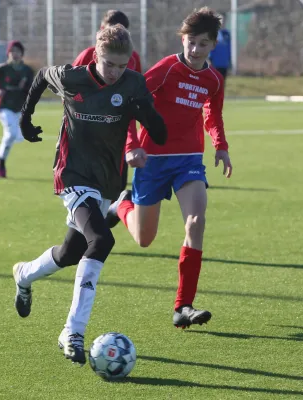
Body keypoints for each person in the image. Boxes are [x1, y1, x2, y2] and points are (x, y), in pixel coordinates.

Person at [12, 25, 167, 365]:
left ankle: (24, 274)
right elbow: (40, 77)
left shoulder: (133, 85)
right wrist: (26, 119)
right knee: (101, 240)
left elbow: (157, 128)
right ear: (96, 56)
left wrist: (150, 121)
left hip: (106, 180)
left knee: (70, 253)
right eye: (109, 64)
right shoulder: (72, 78)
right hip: (72, 174)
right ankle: (73, 330)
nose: (115, 72)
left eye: (122, 66)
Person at [106, 7, 233, 330]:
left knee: (196, 220)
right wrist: (132, 145)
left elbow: (212, 115)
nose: (195, 49)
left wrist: (220, 145)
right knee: (144, 239)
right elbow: (132, 103)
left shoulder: (213, 80)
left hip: (189, 161)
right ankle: (121, 204)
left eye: (203, 44)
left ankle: (183, 306)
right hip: (152, 161)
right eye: (191, 42)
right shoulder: (165, 70)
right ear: (183, 39)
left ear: (213, 46)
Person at [73, 9, 142, 195]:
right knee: (86, 197)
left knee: (114, 193)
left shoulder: (133, 58)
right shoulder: (87, 56)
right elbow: (70, 93)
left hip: (116, 138)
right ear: (101, 30)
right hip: (88, 139)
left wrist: (132, 143)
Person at [0, 40, 34, 178]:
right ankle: (1, 164)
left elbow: (32, 89)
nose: (15, 54)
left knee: (18, 137)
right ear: (8, 53)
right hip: (4, 106)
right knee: (11, 134)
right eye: (12, 51)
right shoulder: (2, 69)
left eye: (18, 52)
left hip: (19, 107)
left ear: (22, 54)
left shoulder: (27, 71)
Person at [208, 16, 231, 84]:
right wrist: (210, 58)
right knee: (215, 82)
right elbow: (210, 47)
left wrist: (229, 59)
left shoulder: (227, 34)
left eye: (224, 20)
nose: (222, 23)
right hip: (215, 63)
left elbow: (229, 48)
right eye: (220, 21)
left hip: (224, 63)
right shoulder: (214, 33)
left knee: (222, 82)